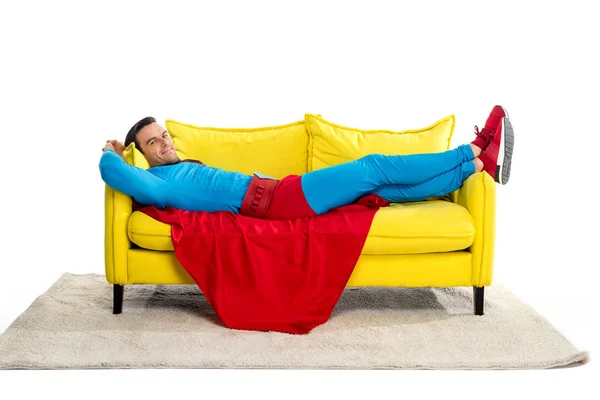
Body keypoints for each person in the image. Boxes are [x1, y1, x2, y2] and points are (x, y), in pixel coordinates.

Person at [99, 106, 514, 220]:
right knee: (372, 167)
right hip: (276, 201)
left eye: (164, 135)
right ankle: (474, 149)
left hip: (280, 190)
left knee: (381, 189)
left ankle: (477, 170)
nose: (164, 144)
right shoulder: (157, 183)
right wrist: (111, 153)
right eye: (152, 142)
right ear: (141, 153)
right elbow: (109, 171)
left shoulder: (175, 168)